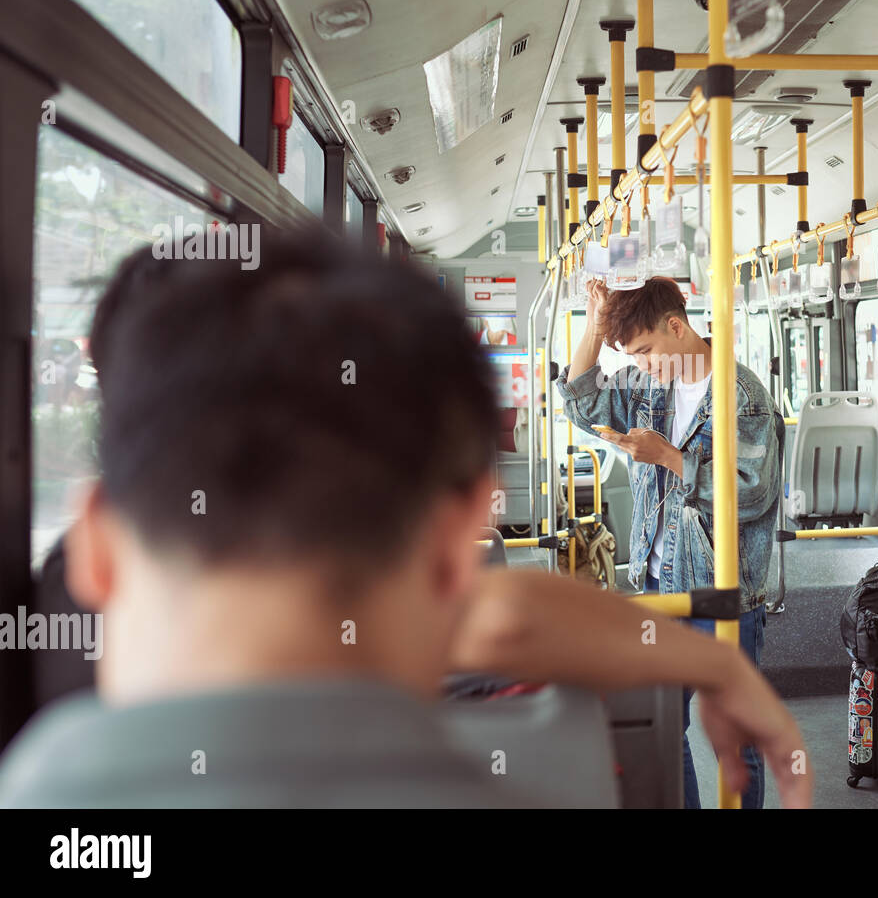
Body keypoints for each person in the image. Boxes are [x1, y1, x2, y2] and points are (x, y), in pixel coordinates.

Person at [0, 234, 810, 808]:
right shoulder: (539, 783)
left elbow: (501, 620)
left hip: (717, 582)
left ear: (95, 551)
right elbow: (496, 617)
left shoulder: (32, 780)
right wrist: (717, 669)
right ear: (459, 549)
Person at [557, 276, 783, 809]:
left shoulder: (742, 395)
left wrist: (668, 458)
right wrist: (593, 324)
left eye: (645, 351)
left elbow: (753, 494)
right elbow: (582, 402)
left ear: (677, 327)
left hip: (720, 587)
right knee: (664, 726)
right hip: (660, 584)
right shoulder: (648, 387)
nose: (641, 364)